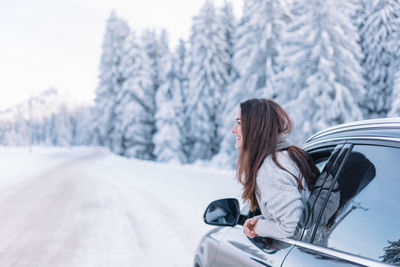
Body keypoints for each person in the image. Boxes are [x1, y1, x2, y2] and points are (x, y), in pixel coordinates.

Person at [231, 98, 320, 239]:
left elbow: (291, 226)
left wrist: (259, 227)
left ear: (255, 127)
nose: (233, 130)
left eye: (239, 122)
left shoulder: (272, 168)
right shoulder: (288, 156)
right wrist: (261, 221)